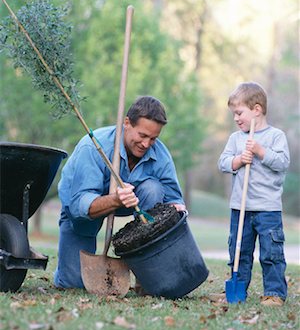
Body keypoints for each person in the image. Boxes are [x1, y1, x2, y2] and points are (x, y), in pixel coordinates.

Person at [54, 96, 186, 289]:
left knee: (153, 189)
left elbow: (173, 198)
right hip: (83, 209)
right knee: (72, 284)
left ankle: (146, 271)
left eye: (153, 138)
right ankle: (65, 271)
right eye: (142, 135)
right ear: (126, 123)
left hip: (133, 202)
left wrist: (176, 207)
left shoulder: (161, 154)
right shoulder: (93, 147)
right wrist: (115, 199)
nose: (147, 144)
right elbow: (79, 205)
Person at [218, 82, 290, 306]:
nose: (236, 119)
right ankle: (237, 289)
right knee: (239, 252)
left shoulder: (276, 137)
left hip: (267, 208)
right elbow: (222, 162)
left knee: (271, 253)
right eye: (234, 114)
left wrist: (260, 152)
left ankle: (275, 293)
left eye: (239, 113)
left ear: (256, 110)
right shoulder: (235, 139)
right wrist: (239, 160)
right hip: (240, 207)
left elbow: (282, 162)